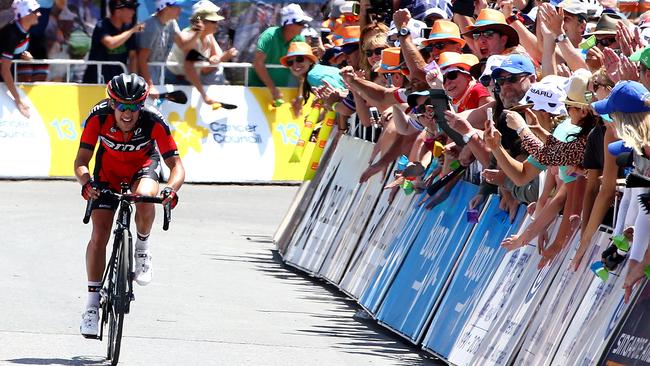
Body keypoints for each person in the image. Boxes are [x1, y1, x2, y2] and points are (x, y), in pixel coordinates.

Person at [75, 73, 185, 338]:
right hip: (106, 173)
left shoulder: (154, 120)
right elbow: (81, 160)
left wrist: (171, 189)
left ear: (142, 105)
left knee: (146, 196)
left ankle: (142, 249)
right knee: (99, 233)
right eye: (121, 106)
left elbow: (176, 166)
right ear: (111, 103)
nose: (127, 112)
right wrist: (87, 182)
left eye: (134, 106)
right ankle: (91, 306)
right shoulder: (98, 117)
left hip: (143, 168)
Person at [165, 0, 238, 103]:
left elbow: (214, 58)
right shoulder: (191, 39)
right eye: (214, 21)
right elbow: (193, 69)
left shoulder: (208, 35)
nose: (217, 24)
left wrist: (216, 59)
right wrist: (204, 96)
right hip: (174, 82)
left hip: (188, 81)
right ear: (202, 23)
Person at [249, 3, 309, 104]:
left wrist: (300, 95)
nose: (304, 26)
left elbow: (303, 69)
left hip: (282, 90)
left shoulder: (300, 39)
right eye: (300, 23)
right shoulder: (269, 35)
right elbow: (258, 63)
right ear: (288, 24)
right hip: (257, 88)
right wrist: (273, 89)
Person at [82, 0, 143, 84]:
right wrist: (131, 31)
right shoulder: (102, 25)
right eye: (130, 8)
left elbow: (132, 56)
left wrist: (134, 81)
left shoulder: (128, 29)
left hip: (117, 84)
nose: (133, 12)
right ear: (118, 11)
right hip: (96, 82)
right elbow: (110, 44)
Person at [0, 0, 41, 117]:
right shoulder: (11, 34)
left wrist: (22, 54)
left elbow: (11, 51)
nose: (39, 14)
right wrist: (18, 100)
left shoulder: (23, 29)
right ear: (25, 14)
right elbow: (4, 70)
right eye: (35, 11)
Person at [136, 0, 186, 94]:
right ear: (166, 8)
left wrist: (197, 32)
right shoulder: (151, 26)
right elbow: (142, 59)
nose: (180, 10)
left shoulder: (172, 22)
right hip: (147, 77)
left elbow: (184, 45)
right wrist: (150, 86)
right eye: (177, 7)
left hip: (160, 73)